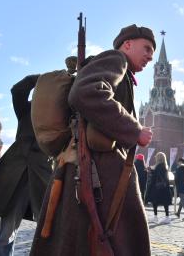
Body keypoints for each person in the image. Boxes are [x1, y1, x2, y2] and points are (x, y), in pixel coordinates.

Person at [30, 24, 155, 256]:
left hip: (89, 170)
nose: (150, 56)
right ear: (127, 44)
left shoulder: (122, 71)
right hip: (97, 172)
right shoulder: (117, 59)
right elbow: (85, 91)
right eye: (146, 48)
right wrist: (134, 129)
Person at [0, 75, 53, 256]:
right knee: (7, 231)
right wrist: (40, 79)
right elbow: (17, 90)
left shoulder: (60, 113)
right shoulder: (26, 109)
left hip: (43, 175)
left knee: (48, 227)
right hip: (16, 175)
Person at [145, 152, 172, 224]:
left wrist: (151, 171)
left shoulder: (159, 166)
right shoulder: (165, 166)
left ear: (158, 158)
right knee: (165, 202)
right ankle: (166, 217)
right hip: (164, 187)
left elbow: (155, 176)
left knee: (155, 202)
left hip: (157, 187)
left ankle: (156, 217)